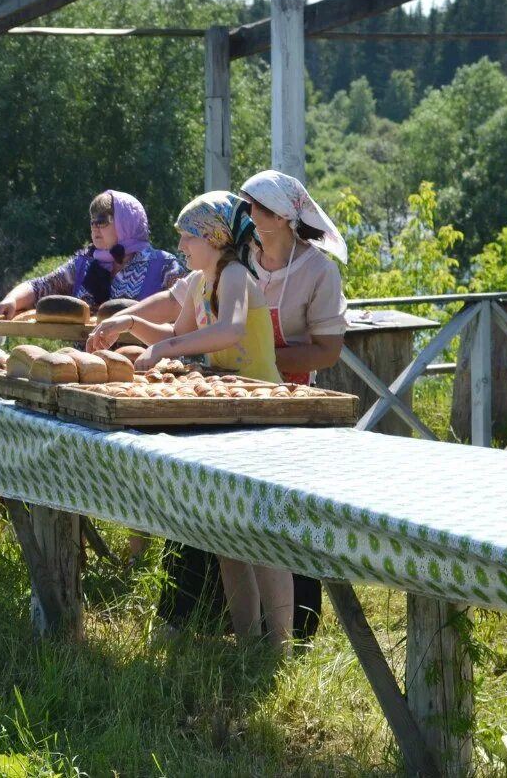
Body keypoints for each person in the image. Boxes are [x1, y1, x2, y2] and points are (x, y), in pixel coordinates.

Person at [100, 172, 349, 642]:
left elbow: (231, 331)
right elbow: (177, 332)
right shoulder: (202, 279)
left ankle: (278, 643)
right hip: (226, 410)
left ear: (213, 237)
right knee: (225, 539)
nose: (180, 244)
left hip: (262, 410)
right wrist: (130, 325)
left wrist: (167, 352)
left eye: (187, 235)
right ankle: (246, 640)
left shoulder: (236, 274)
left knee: (261, 541)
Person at [0, 190, 185, 318]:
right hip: (83, 367)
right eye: (92, 221)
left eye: (102, 220)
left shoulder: (164, 265)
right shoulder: (84, 262)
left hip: (148, 370)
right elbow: (41, 286)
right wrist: (12, 300)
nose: (94, 227)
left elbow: (189, 307)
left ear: (126, 222)